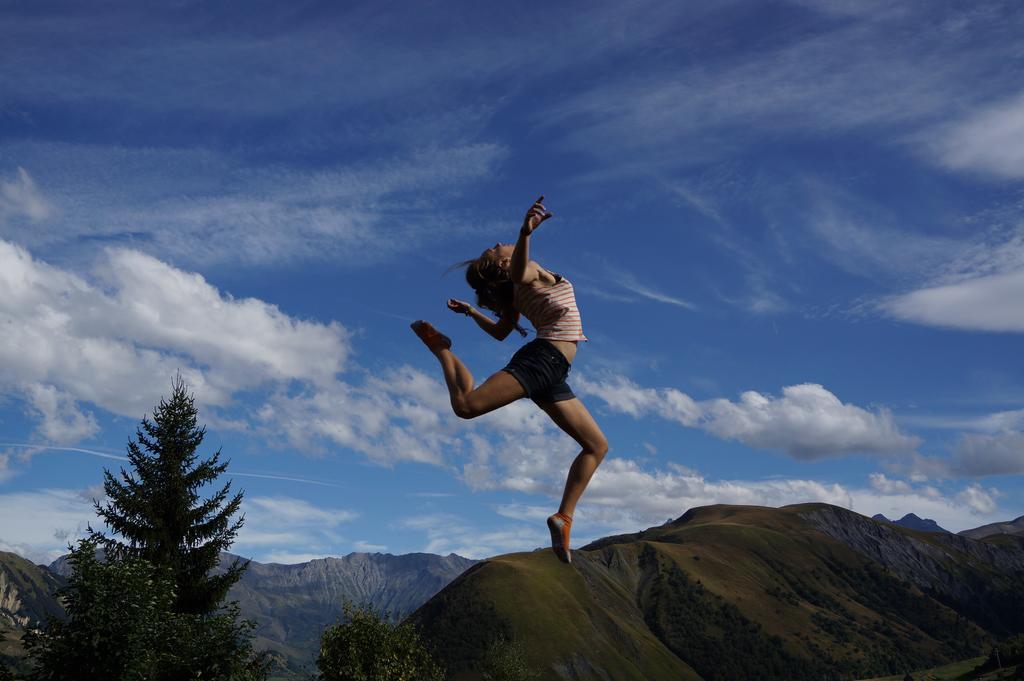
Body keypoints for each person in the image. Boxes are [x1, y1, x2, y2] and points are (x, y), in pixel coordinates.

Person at [411, 196, 608, 564]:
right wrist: (524, 232)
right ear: (506, 260)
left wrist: (471, 312)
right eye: (498, 247)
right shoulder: (528, 270)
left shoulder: (519, 288)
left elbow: (503, 331)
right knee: (466, 406)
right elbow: (519, 272)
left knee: (597, 446)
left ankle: (563, 517)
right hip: (542, 360)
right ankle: (442, 351)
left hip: (553, 372)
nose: (500, 242)